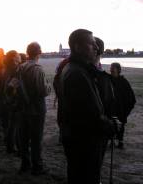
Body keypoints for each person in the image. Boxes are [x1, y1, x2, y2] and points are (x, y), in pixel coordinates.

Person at [58, 29, 112, 184]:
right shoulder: (77, 73)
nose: (96, 47)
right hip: (83, 140)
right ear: (77, 47)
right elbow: (90, 114)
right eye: (92, 43)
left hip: (76, 136)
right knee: (87, 176)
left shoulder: (76, 68)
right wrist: (109, 125)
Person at [19, 42, 51, 175]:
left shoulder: (20, 67)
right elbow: (42, 91)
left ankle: (25, 164)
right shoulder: (37, 69)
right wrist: (48, 87)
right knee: (36, 139)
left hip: (23, 108)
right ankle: (37, 166)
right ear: (39, 53)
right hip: (36, 109)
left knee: (24, 138)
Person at [110, 62, 136, 149]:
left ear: (118, 70)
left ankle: (120, 142)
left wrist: (126, 109)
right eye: (111, 68)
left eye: (114, 68)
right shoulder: (108, 80)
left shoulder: (123, 81)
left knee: (120, 124)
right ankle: (112, 141)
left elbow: (131, 98)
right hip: (111, 107)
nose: (112, 69)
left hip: (120, 108)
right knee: (111, 124)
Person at [3, 50, 22, 154]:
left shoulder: (8, 68)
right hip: (14, 101)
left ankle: (10, 146)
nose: (20, 56)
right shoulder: (14, 70)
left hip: (9, 100)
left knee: (12, 124)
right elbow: (10, 87)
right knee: (16, 126)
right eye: (18, 55)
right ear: (14, 58)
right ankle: (15, 147)